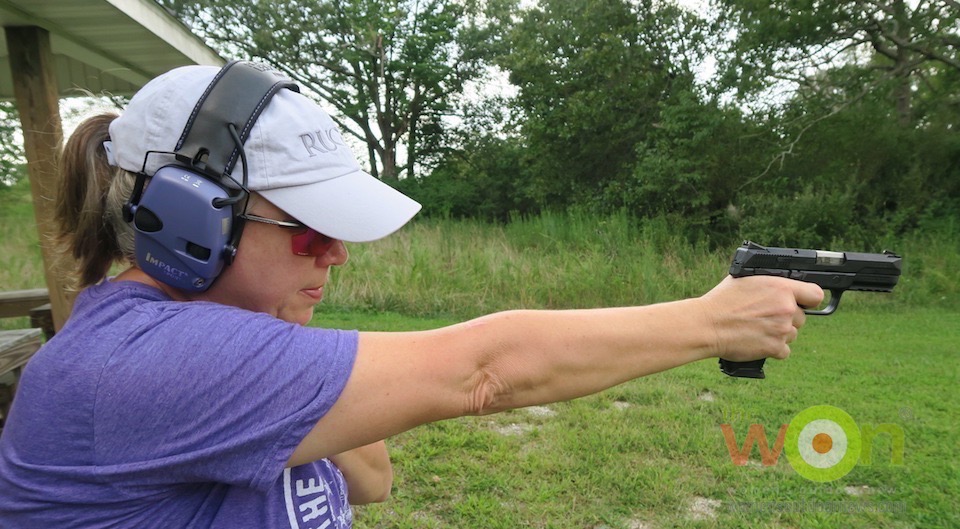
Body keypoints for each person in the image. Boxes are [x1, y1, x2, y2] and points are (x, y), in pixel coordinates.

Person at [0, 62, 823, 528]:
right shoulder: (136, 364)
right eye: (308, 231)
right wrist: (716, 318)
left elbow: (369, 478)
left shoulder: (214, 333)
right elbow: (485, 371)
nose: (335, 257)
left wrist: (281, 318)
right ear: (188, 219)